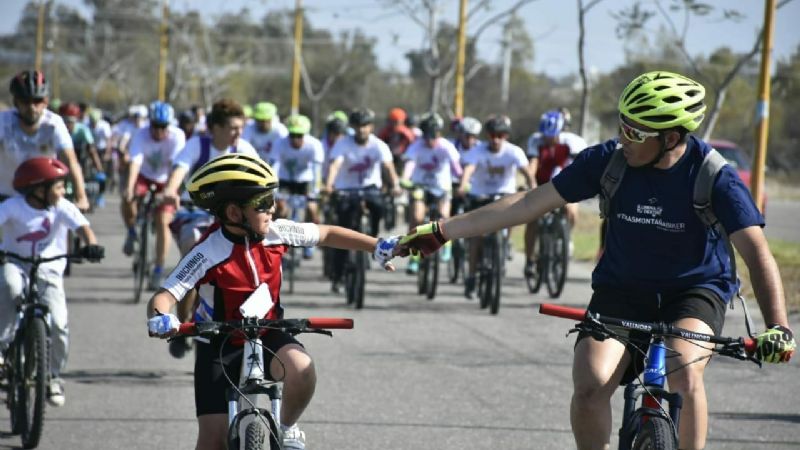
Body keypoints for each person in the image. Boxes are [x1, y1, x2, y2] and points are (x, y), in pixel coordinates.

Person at [397, 70, 796, 450]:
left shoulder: (715, 176)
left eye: (635, 131)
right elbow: (529, 202)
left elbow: (756, 253)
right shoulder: (609, 161)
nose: (624, 138)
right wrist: (441, 231)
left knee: (684, 371)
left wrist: (778, 326)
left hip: (694, 289)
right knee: (590, 386)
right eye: (622, 124)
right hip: (621, 288)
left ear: (671, 137)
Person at [146, 153, 399, 450]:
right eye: (262, 203)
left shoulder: (277, 232)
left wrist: (376, 246)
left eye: (272, 199)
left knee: (302, 369)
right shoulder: (207, 251)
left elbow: (327, 233)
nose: (272, 208)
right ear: (234, 212)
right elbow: (165, 295)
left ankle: (287, 427)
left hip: (265, 332)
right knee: (212, 441)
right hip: (217, 341)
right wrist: (162, 317)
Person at [0, 157, 104, 407]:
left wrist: (91, 245)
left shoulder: (61, 206)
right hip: (16, 263)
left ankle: (53, 376)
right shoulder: (13, 206)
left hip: (49, 270)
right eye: (57, 186)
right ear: (38, 189)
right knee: (10, 287)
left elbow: (83, 227)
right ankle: (3, 350)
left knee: (58, 324)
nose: (63, 191)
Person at [324, 108, 401, 292]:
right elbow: (335, 165)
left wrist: (396, 185)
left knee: (378, 206)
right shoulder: (343, 143)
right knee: (342, 232)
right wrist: (329, 185)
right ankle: (338, 275)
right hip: (346, 190)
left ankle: (373, 240)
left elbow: (388, 167)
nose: (361, 130)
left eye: (365, 126)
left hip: (370, 189)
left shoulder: (379, 145)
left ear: (371, 127)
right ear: (352, 127)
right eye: (358, 126)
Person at [457, 115, 533, 298]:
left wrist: (535, 189)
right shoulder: (478, 150)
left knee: (515, 210)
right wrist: (462, 185)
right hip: (480, 194)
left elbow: (527, 173)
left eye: (500, 135)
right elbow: (469, 169)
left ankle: (505, 242)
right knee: (477, 234)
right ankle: (472, 276)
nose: (496, 139)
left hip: (504, 194)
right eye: (492, 135)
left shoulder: (514, 151)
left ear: (506, 136)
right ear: (487, 135)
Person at [0, 70, 90, 210]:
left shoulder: (54, 124)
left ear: (46, 101)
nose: (31, 107)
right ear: (16, 102)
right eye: (25, 101)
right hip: (6, 198)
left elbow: (70, 161)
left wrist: (81, 196)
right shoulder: (3, 122)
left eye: (37, 101)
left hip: (44, 200)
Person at [122, 101, 186, 290]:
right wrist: (129, 187)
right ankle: (132, 231)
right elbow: (135, 163)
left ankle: (158, 268)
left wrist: (169, 191)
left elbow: (176, 167)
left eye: (163, 127)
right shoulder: (140, 135)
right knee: (128, 198)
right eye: (155, 126)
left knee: (162, 220)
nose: (158, 131)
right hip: (144, 175)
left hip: (166, 180)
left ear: (169, 125)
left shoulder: (177, 136)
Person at [524, 109, 587, 277]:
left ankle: (566, 236)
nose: (548, 138)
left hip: (567, 183)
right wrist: (530, 183)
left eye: (551, 135)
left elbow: (580, 167)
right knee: (533, 220)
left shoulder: (573, 142)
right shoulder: (535, 140)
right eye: (545, 134)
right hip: (542, 184)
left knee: (571, 211)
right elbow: (533, 164)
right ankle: (530, 260)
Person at [400, 112, 461, 274]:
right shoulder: (416, 146)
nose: (430, 139)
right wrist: (405, 179)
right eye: (427, 135)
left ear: (439, 133)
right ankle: (414, 258)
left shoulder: (446, 146)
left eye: (434, 135)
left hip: (442, 188)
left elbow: (456, 168)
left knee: (443, 217)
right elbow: (410, 164)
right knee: (417, 218)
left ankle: (446, 246)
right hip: (420, 187)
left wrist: (462, 181)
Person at [272, 115, 325, 260]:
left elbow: (316, 171)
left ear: (305, 134)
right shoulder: (279, 143)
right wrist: (272, 189)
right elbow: (274, 166)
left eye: (299, 135)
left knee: (312, 209)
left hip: (305, 181)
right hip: (285, 180)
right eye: (292, 135)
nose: (295, 139)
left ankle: (310, 242)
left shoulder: (314, 145)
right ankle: (276, 239)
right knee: (280, 208)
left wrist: (315, 191)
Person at [59, 102, 105, 206]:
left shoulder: (82, 130)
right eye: (65, 121)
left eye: (71, 122)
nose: (68, 125)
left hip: (78, 157)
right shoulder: (57, 128)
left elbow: (91, 150)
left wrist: (98, 167)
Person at [242, 101, 287, 166]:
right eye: (260, 120)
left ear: (272, 118)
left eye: (266, 120)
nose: (263, 124)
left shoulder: (280, 130)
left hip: (274, 165)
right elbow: (243, 148)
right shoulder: (248, 127)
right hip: (253, 163)